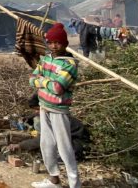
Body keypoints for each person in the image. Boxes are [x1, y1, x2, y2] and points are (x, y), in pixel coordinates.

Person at [29, 22, 80, 188]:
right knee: (47, 145)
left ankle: (74, 184)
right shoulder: (45, 59)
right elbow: (32, 79)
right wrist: (46, 81)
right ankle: (54, 180)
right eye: (50, 42)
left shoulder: (69, 64)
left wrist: (42, 81)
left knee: (65, 149)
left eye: (57, 42)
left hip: (59, 110)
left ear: (65, 44)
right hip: (44, 107)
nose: (53, 46)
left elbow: (58, 88)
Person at [8, 94, 90, 161]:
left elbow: (44, 139)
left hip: (77, 145)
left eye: (37, 109)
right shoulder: (52, 112)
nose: (36, 112)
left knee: (48, 157)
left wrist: (20, 145)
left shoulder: (57, 119)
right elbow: (36, 114)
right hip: (70, 141)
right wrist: (27, 118)